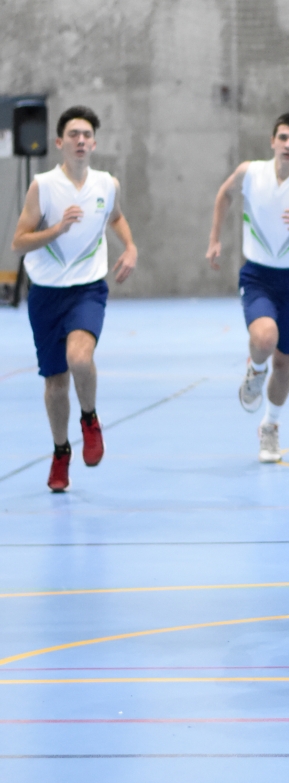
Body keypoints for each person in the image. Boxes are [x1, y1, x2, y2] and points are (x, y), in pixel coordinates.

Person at [10, 105, 138, 493]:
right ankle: (60, 451)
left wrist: (130, 246)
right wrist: (57, 229)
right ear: (59, 142)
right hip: (46, 294)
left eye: (87, 135)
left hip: (87, 288)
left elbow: (115, 216)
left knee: (79, 358)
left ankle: (90, 419)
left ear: (94, 143)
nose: (81, 140)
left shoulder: (107, 184)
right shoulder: (43, 186)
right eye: (73, 135)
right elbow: (19, 242)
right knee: (55, 383)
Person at [206, 114, 289, 463]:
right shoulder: (250, 173)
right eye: (284, 137)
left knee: (285, 361)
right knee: (264, 339)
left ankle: (270, 426)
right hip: (258, 276)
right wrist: (215, 239)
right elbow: (224, 195)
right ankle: (255, 370)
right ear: (273, 141)